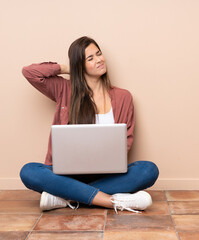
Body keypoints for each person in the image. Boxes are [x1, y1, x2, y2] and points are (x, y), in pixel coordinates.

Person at [19, 36, 159, 213]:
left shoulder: (123, 97)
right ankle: (111, 201)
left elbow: (126, 141)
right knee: (29, 171)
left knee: (148, 170)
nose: (99, 60)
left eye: (99, 54)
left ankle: (65, 196)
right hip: (66, 174)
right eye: (90, 58)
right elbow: (30, 72)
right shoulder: (65, 90)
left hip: (108, 174)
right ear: (80, 65)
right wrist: (69, 68)